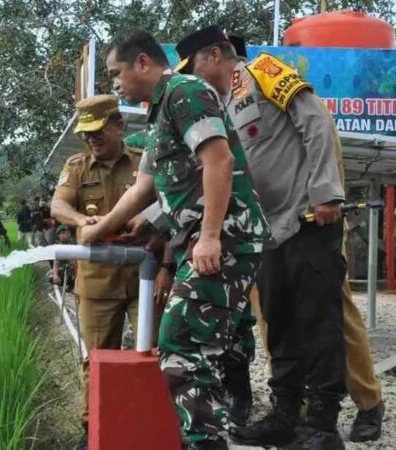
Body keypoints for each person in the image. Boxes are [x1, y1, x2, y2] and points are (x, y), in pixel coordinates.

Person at [174, 26, 384, 446]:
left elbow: (316, 122)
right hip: (266, 231)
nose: (191, 76)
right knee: (280, 323)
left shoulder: (262, 70)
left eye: (193, 65)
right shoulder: (221, 103)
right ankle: (287, 413)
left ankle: (325, 420)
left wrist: (326, 193)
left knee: (322, 320)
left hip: (307, 219)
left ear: (215, 55)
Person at [80, 29, 269, 450]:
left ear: (143, 63)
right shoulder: (159, 110)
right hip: (202, 240)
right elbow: (144, 185)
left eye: (116, 75)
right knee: (198, 349)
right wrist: (107, 225)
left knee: (180, 342)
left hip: (227, 239)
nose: (115, 86)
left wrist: (210, 237)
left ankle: (205, 441)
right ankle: (205, 435)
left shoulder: (185, 92)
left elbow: (218, 161)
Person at [49, 94, 145, 450]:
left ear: (118, 125)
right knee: (97, 358)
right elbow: (58, 204)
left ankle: (148, 424)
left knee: (152, 354)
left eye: (99, 131)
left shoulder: (141, 162)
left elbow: (163, 201)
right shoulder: (77, 167)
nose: (92, 139)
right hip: (97, 281)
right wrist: (80, 220)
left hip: (144, 279)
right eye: (86, 134)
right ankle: (93, 431)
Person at [51, 224, 76, 292]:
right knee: (50, 275)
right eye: (60, 234)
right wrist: (55, 275)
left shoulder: (73, 244)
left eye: (64, 233)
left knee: (70, 267)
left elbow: (74, 263)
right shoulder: (60, 246)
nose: (62, 235)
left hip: (76, 271)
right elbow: (56, 263)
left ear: (69, 234)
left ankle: (73, 286)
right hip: (69, 271)